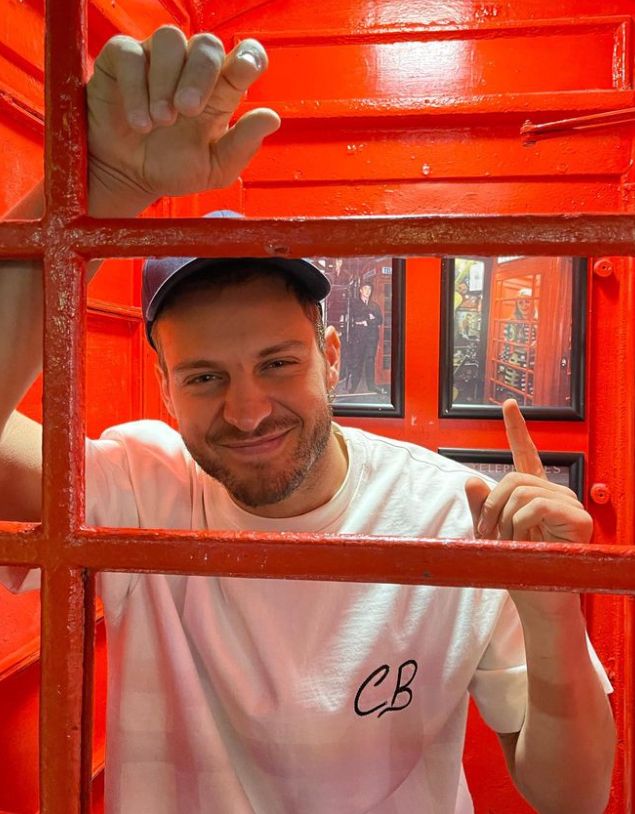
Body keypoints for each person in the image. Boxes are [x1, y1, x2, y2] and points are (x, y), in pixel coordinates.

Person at [0, 26, 615, 814]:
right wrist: (92, 190)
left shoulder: (456, 513)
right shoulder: (137, 482)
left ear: (329, 356)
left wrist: (551, 611)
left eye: (278, 363)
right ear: (163, 387)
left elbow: (575, 797)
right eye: (206, 376)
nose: (248, 408)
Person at [348, 282, 384, 393]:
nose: (368, 291)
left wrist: (367, 321)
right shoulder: (355, 303)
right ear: (360, 290)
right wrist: (371, 318)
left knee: (370, 362)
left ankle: (371, 386)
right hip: (359, 338)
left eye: (369, 289)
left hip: (372, 338)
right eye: (365, 289)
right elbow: (357, 317)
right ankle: (354, 386)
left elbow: (380, 320)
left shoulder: (375, 305)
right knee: (357, 361)